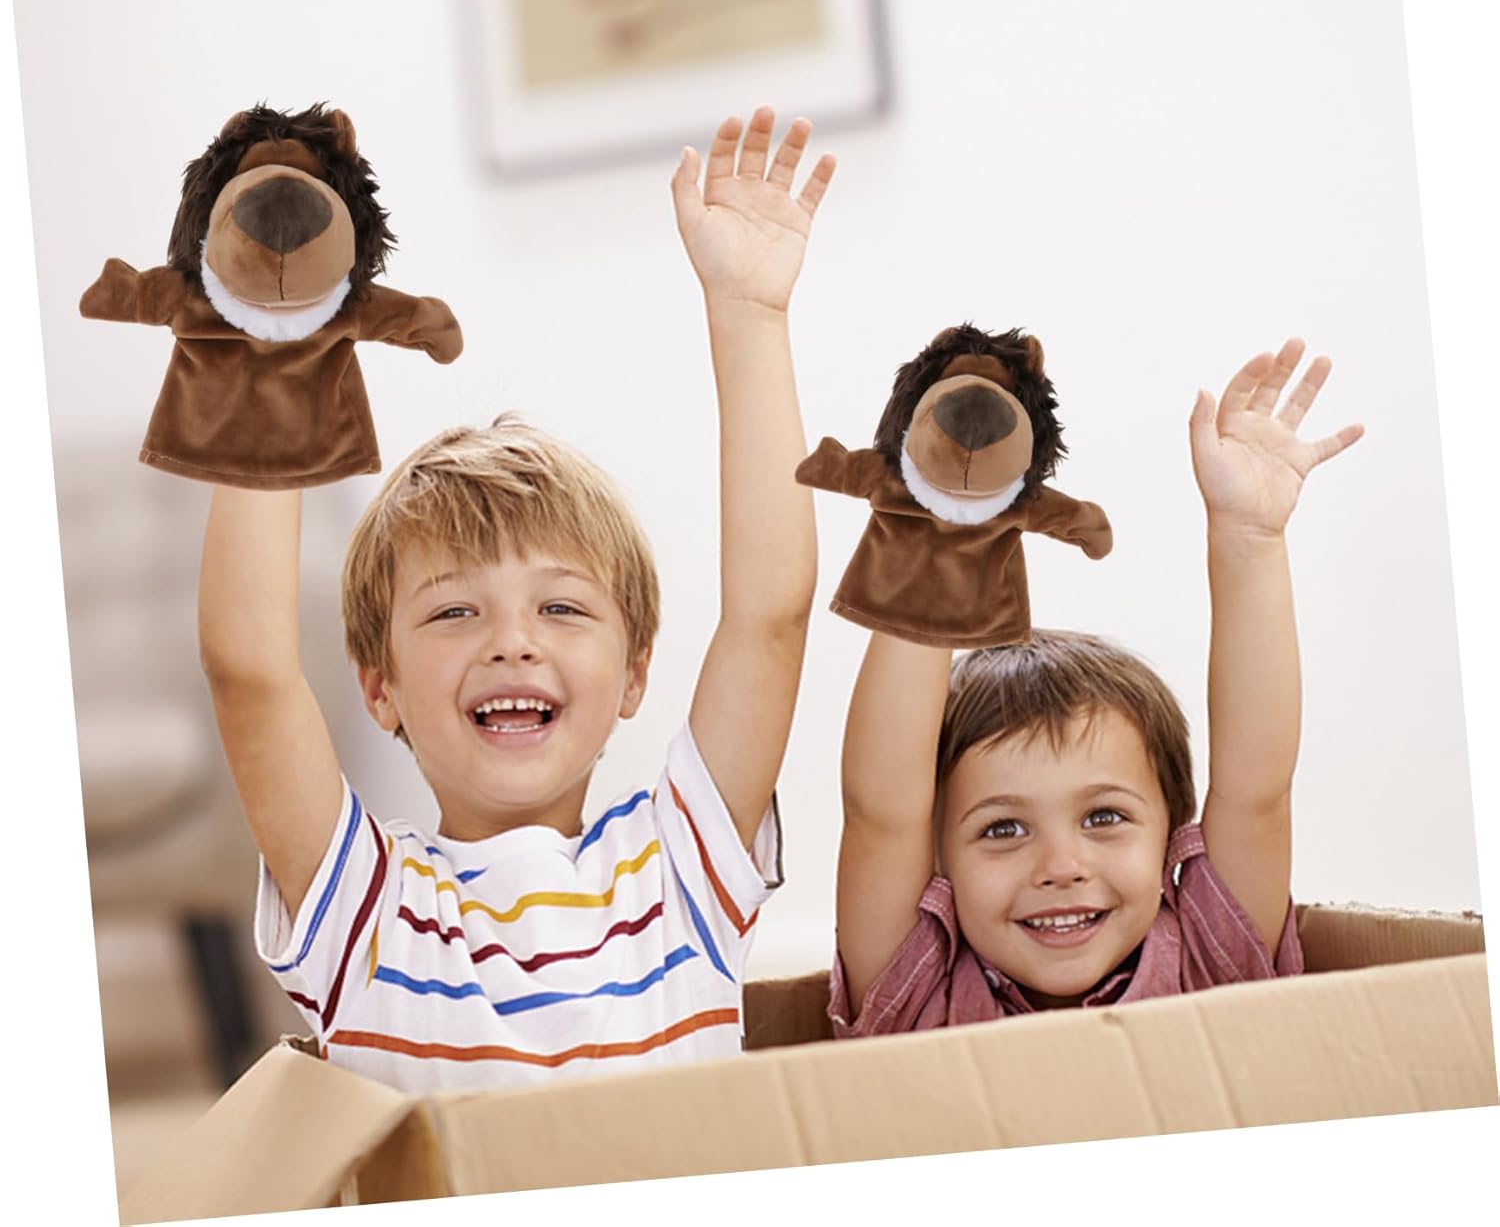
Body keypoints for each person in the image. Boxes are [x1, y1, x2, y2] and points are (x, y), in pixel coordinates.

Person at [197, 108, 834, 1090]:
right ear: (379, 687)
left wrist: (749, 315)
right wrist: (275, 349)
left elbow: (771, 614)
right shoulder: (365, 907)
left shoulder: (681, 865)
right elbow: (249, 670)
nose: (512, 642)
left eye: (561, 609)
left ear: (635, 674)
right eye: (455, 612)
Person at [830, 339, 1363, 1033]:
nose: (1061, 866)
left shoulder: (1211, 961)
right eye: (1002, 828)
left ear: (1173, 835)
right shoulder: (915, 997)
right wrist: (935, 524)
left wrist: (1249, 537)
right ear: (935, 861)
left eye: (1104, 817)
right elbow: (881, 814)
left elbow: (1256, 790)